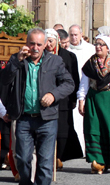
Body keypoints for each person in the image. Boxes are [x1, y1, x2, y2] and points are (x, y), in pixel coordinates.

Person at [0, 28, 74, 185]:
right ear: (26, 43)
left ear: (46, 44)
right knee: (23, 160)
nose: (35, 48)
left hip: (47, 119)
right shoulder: (18, 60)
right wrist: (16, 61)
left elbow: (69, 83)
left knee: (45, 164)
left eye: (39, 44)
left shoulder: (55, 61)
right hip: (24, 118)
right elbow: (4, 80)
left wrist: (53, 95)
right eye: (32, 43)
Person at [77, 35, 110, 174]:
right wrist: (81, 100)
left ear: (108, 48)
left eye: (102, 44)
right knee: (94, 128)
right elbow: (84, 84)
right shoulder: (90, 64)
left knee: (109, 130)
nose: (98, 46)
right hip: (94, 99)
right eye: (97, 44)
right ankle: (97, 160)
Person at [44, 29, 83, 169]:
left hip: (64, 99)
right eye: (46, 41)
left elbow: (74, 79)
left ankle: (60, 156)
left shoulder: (69, 56)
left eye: (51, 41)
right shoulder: (41, 56)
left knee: (63, 129)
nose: (49, 44)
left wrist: (74, 98)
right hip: (46, 98)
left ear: (57, 40)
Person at [67, 24, 95, 152]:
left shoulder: (91, 49)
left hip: (86, 87)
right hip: (71, 87)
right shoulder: (66, 50)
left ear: (81, 34)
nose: (73, 38)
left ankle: (85, 147)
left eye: (76, 35)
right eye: (71, 35)